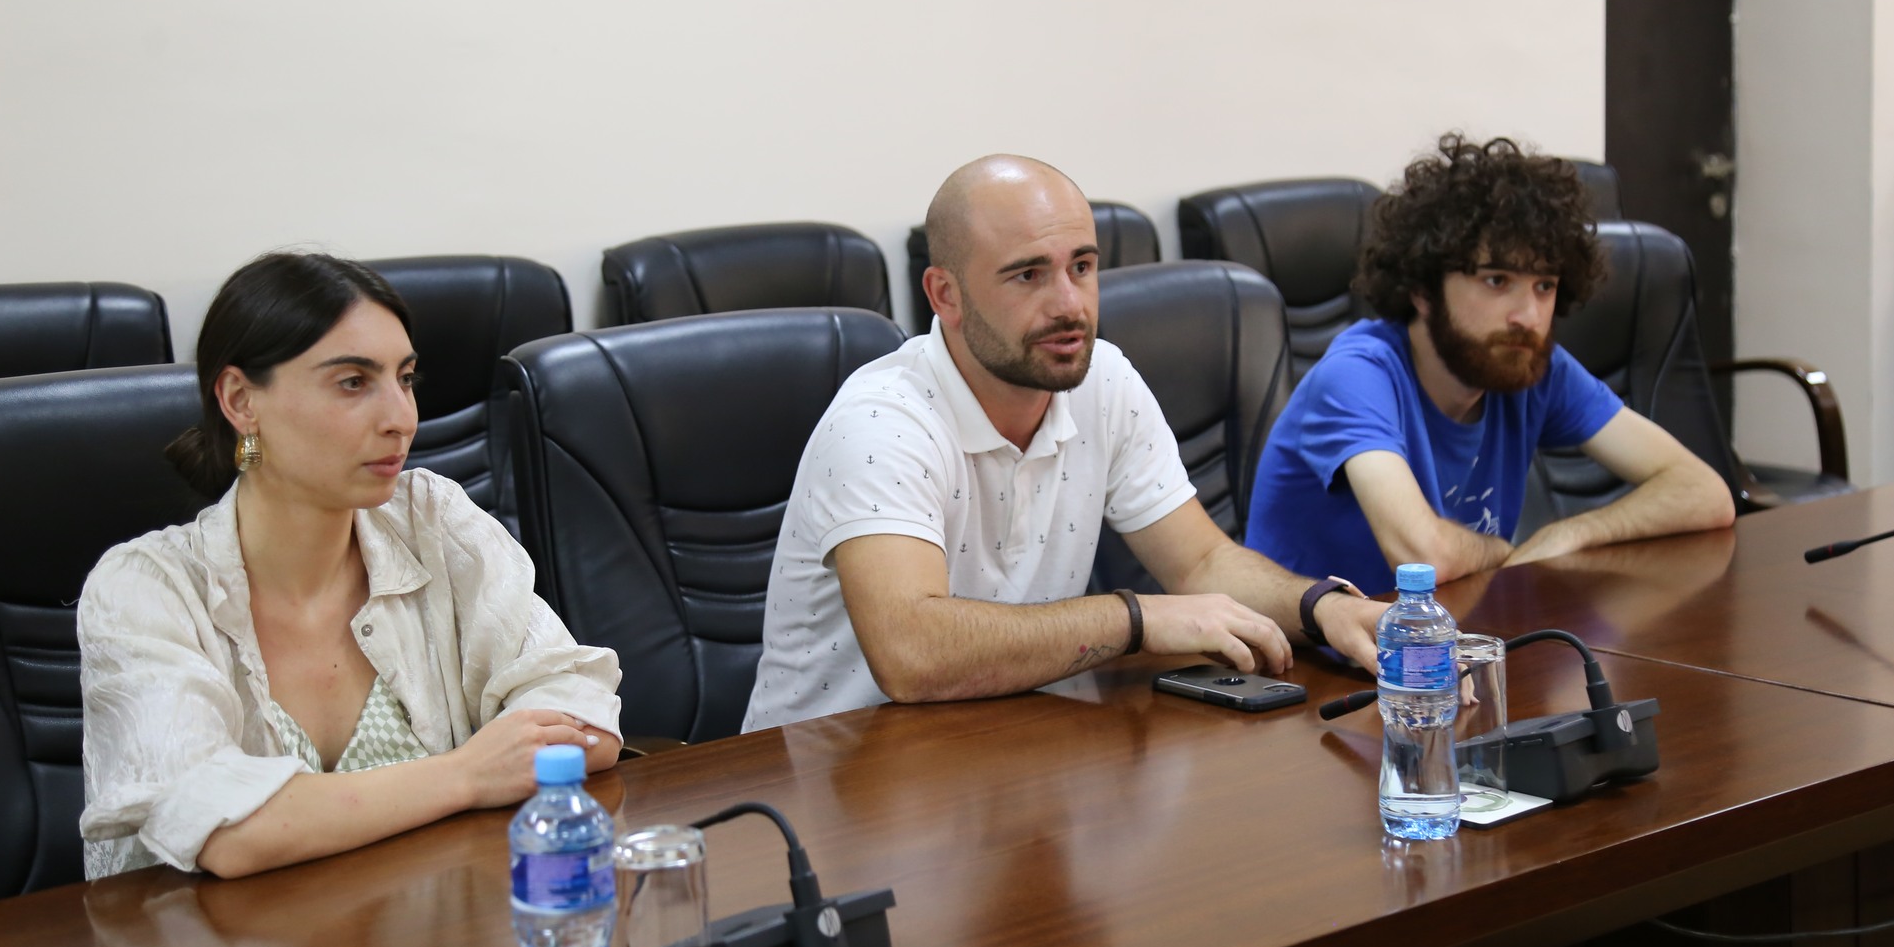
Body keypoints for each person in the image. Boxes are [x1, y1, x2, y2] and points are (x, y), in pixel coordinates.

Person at [742, 155, 1385, 732]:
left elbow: (1201, 564)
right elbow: (912, 654)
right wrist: (1137, 620)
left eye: (1081, 266)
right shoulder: (882, 422)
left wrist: (1320, 607)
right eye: (1028, 275)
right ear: (946, 295)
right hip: (827, 783)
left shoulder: (1103, 378)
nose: (1069, 305)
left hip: (1001, 749)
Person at [78, 253, 622, 880]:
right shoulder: (143, 588)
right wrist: (468, 775)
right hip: (212, 941)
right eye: (353, 382)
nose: (402, 419)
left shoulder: (431, 517)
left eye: (406, 379)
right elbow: (226, 832)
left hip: (435, 927)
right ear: (240, 400)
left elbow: (582, 710)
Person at [1246, 134, 1735, 595]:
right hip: (1313, 650)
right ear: (1423, 290)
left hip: (1448, 638)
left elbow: (1704, 492)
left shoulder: (1532, 366)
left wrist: (1571, 533)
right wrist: (1503, 553)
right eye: (1497, 281)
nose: (1528, 317)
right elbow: (1423, 558)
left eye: (1544, 286)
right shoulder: (1357, 376)